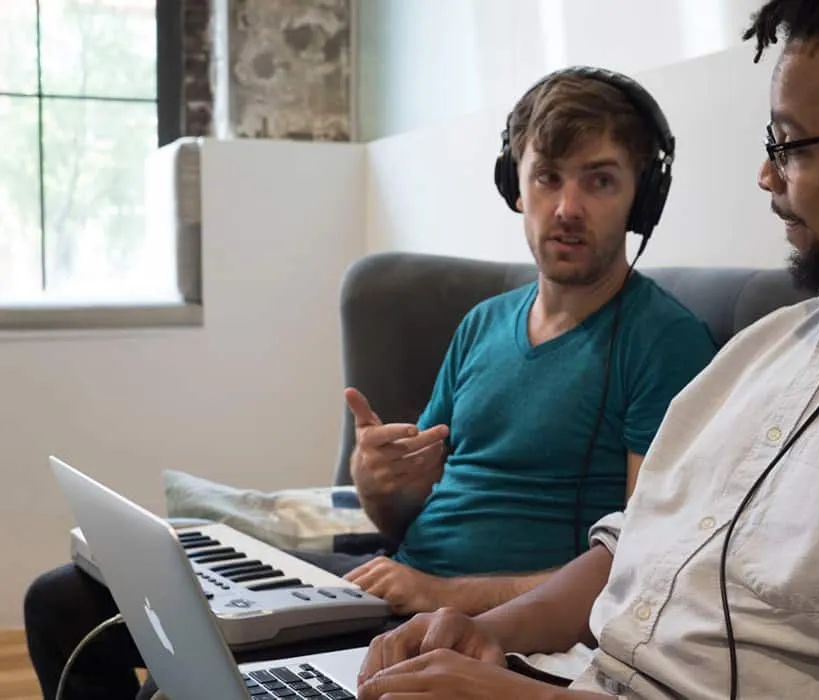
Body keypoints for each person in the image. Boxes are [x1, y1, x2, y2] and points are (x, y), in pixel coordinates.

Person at [353, 1, 819, 699]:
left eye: (792, 145)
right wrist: (486, 634)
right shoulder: (766, 347)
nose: (767, 176)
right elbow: (633, 544)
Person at [23, 67, 719, 700]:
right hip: (392, 587)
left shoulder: (664, 342)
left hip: (483, 628)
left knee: (179, 684)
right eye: (548, 177)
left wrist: (448, 594)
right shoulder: (483, 324)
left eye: (599, 181)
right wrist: (378, 482)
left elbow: (640, 569)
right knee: (61, 601)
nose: (567, 206)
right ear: (516, 185)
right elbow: (400, 518)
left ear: (642, 198)